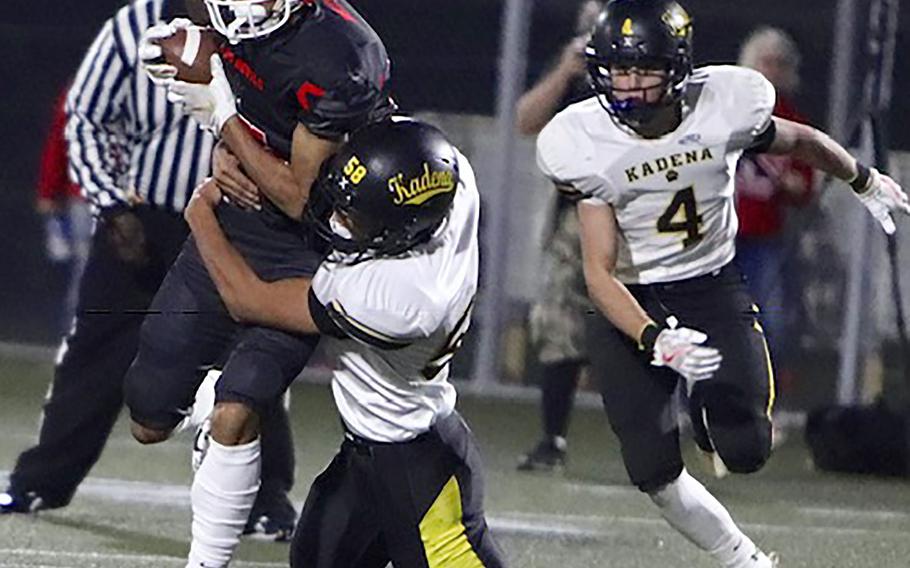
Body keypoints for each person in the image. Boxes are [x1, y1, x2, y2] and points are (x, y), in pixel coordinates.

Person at [535, 1, 910, 566]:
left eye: (644, 71)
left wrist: (862, 179)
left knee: (748, 450)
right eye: (619, 71)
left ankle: (708, 415)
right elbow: (598, 271)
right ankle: (743, 558)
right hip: (630, 304)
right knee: (652, 470)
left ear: (679, 68)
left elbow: (800, 141)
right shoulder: (588, 140)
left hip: (709, 289)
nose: (629, 87)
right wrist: (653, 338)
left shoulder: (724, 105)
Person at [0, 0, 300, 541]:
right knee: (95, 352)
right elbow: (86, 116)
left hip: (239, 224)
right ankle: (39, 480)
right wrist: (112, 207)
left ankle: (266, 499)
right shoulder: (133, 23)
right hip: (146, 218)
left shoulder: (258, 22)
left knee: (255, 358)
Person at [125, 0, 394, 564]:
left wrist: (220, 113)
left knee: (238, 406)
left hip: (313, 245)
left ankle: (206, 560)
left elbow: (300, 197)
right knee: (148, 419)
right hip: (240, 221)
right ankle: (200, 401)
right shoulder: (225, 23)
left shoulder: (342, 55)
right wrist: (221, 140)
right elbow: (248, 111)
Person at [185, 118, 505, 568]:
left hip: (420, 474)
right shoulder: (452, 184)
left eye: (352, 216)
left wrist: (200, 215)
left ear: (397, 234)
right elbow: (384, 130)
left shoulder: (399, 298)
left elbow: (248, 299)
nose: (336, 219)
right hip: (367, 454)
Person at [516, 0, 601, 473]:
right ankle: (553, 437)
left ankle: (671, 433)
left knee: (651, 322)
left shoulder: (648, 62)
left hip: (638, 210)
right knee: (558, 322)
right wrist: (566, 73)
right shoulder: (574, 68)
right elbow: (526, 119)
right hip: (577, 211)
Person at [735, 27, 814, 378]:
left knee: (771, 322)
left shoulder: (793, 123)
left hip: (764, 237)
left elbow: (804, 188)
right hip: (720, 233)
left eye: (781, 64)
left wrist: (789, 183)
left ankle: (761, 403)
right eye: (767, 62)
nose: (773, 70)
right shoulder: (733, 110)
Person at [34, 87, 93, 333]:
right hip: (89, 196)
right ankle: (77, 336)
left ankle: (78, 336)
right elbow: (60, 137)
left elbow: (59, 137)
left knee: (86, 272)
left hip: (86, 194)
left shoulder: (80, 89)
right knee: (87, 271)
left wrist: (48, 191)